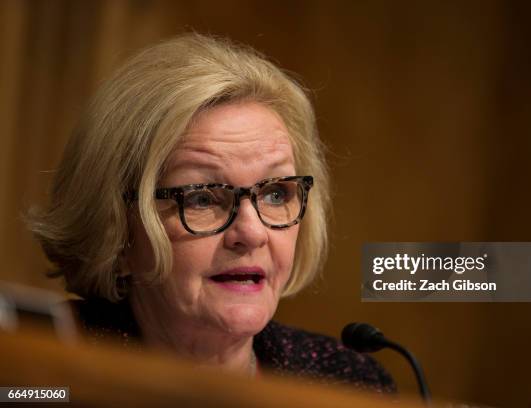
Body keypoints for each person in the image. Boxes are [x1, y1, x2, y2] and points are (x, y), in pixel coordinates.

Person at [27, 33, 395, 393]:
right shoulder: (37, 366)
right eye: (202, 199)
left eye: (275, 193)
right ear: (118, 229)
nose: (252, 233)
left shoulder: (349, 385)